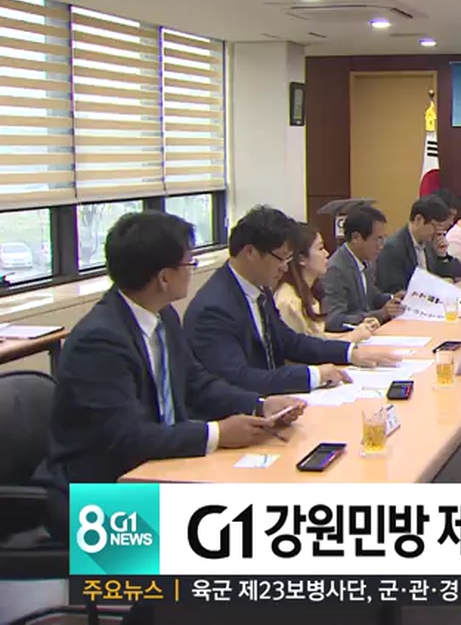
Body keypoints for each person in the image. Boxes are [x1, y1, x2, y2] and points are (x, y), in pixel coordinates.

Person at [36, 210, 305, 540]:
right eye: (189, 263)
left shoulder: (163, 318)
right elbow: (129, 438)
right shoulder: (100, 341)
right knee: (243, 536)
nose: (192, 271)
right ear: (164, 277)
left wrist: (260, 405)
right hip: (99, 499)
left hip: (157, 471)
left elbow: (197, 385)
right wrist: (217, 433)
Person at [185, 205, 400, 396]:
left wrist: (350, 353)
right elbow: (238, 378)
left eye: (288, 258)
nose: (285, 267)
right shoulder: (215, 308)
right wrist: (313, 375)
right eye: (281, 258)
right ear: (250, 252)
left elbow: (289, 341)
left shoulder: (259, 289)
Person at [275, 223, 381, 342]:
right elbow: (303, 349)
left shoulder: (308, 293)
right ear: (301, 259)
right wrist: (352, 337)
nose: (326, 254)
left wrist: (356, 330)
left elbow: (318, 338)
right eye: (320, 248)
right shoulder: (289, 302)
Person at [321, 205, 404, 332]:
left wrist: (394, 298)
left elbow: (372, 296)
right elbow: (334, 320)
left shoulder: (365, 260)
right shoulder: (336, 270)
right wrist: (381, 314)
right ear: (356, 238)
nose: (381, 246)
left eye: (383, 238)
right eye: (377, 239)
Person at [375, 195, 461, 294]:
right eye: (434, 226)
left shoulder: (428, 243)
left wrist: (442, 256)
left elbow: (454, 272)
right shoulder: (393, 248)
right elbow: (395, 290)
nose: (437, 232)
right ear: (418, 220)